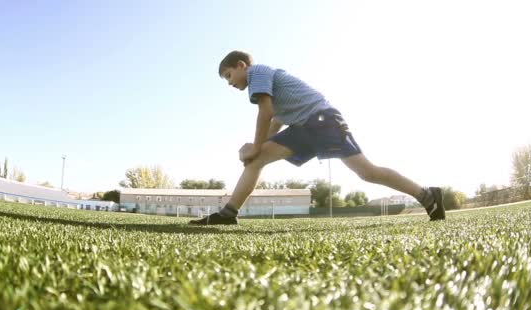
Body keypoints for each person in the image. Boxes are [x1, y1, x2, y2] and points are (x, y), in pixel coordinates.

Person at [190, 51, 445, 225]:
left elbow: (265, 112)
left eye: (228, 76)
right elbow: (276, 119)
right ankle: (228, 214)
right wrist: (259, 151)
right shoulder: (267, 86)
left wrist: (255, 146)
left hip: (322, 121)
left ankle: (427, 196)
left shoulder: (258, 73)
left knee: (367, 173)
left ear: (241, 66)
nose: (229, 83)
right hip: (303, 127)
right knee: (255, 162)